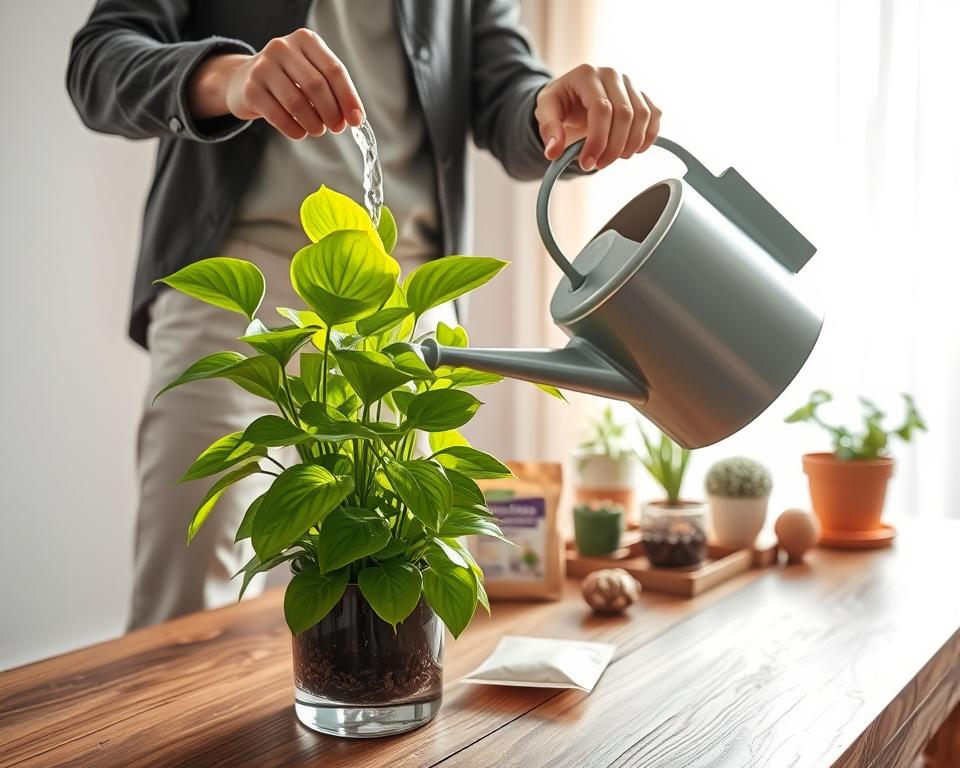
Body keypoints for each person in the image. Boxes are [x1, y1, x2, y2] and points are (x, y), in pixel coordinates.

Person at [67, 0, 661, 629]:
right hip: (241, 280)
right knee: (183, 589)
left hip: (402, 293)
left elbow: (506, 89)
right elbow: (98, 61)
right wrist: (229, 78)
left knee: (399, 582)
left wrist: (552, 110)